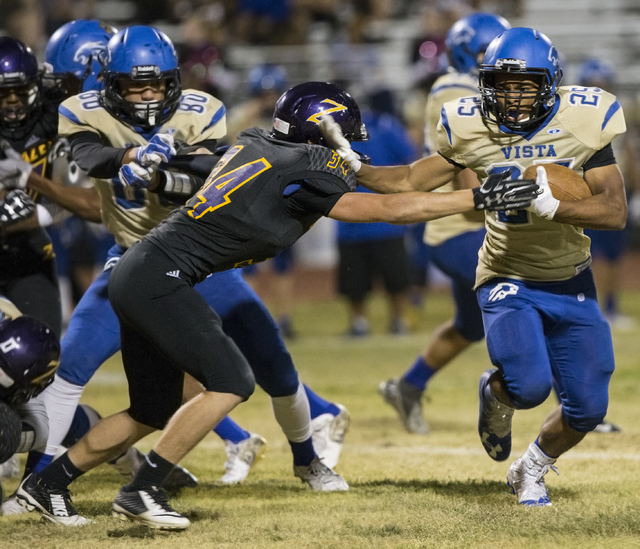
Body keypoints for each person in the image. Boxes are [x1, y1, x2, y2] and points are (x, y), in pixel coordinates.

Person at [15, 79, 536, 529]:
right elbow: (387, 207)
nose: (350, 146)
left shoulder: (267, 144)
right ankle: (142, 490)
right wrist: (478, 198)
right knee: (232, 383)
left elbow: (396, 179)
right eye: (344, 136)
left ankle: (46, 485)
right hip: (161, 276)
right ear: (320, 135)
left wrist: (459, 162)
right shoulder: (304, 171)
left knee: (152, 407)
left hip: (140, 268)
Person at [22, 23, 350, 500]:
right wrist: (133, 155)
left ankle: (308, 459)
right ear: (111, 83)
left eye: (156, 83)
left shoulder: (201, 109)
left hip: (199, 256)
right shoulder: (82, 110)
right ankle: (39, 482)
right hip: (131, 259)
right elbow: (89, 157)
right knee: (70, 367)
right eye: (136, 85)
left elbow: (210, 174)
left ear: (173, 80)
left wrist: (165, 164)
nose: (148, 95)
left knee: (272, 363)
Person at [322, 27, 626, 507]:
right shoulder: (469, 123)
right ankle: (498, 392)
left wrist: (555, 207)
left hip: (572, 277)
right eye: (502, 85)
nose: (512, 97)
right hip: (506, 273)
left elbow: (614, 211)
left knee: (587, 409)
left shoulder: (585, 117)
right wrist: (353, 166)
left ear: (552, 83)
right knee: (528, 385)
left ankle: (531, 469)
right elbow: (408, 179)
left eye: (525, 85)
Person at [379, 12, 510, 433]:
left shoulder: (463, 85)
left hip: (460, 226)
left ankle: (408, 386)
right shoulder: (456, 86)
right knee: (530, 297)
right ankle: (568, 405)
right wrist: (490, 200)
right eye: (493, 53)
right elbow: (468, 154)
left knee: (469, 326)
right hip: (461, 225)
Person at [335, 88, 418, 336]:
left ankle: (360, 323)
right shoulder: (387, 125)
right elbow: (410, 161)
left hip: (349, 216)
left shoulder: (336, 130)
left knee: (354, 281)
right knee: (396, 278)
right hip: (387, 218)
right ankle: (399, 320)